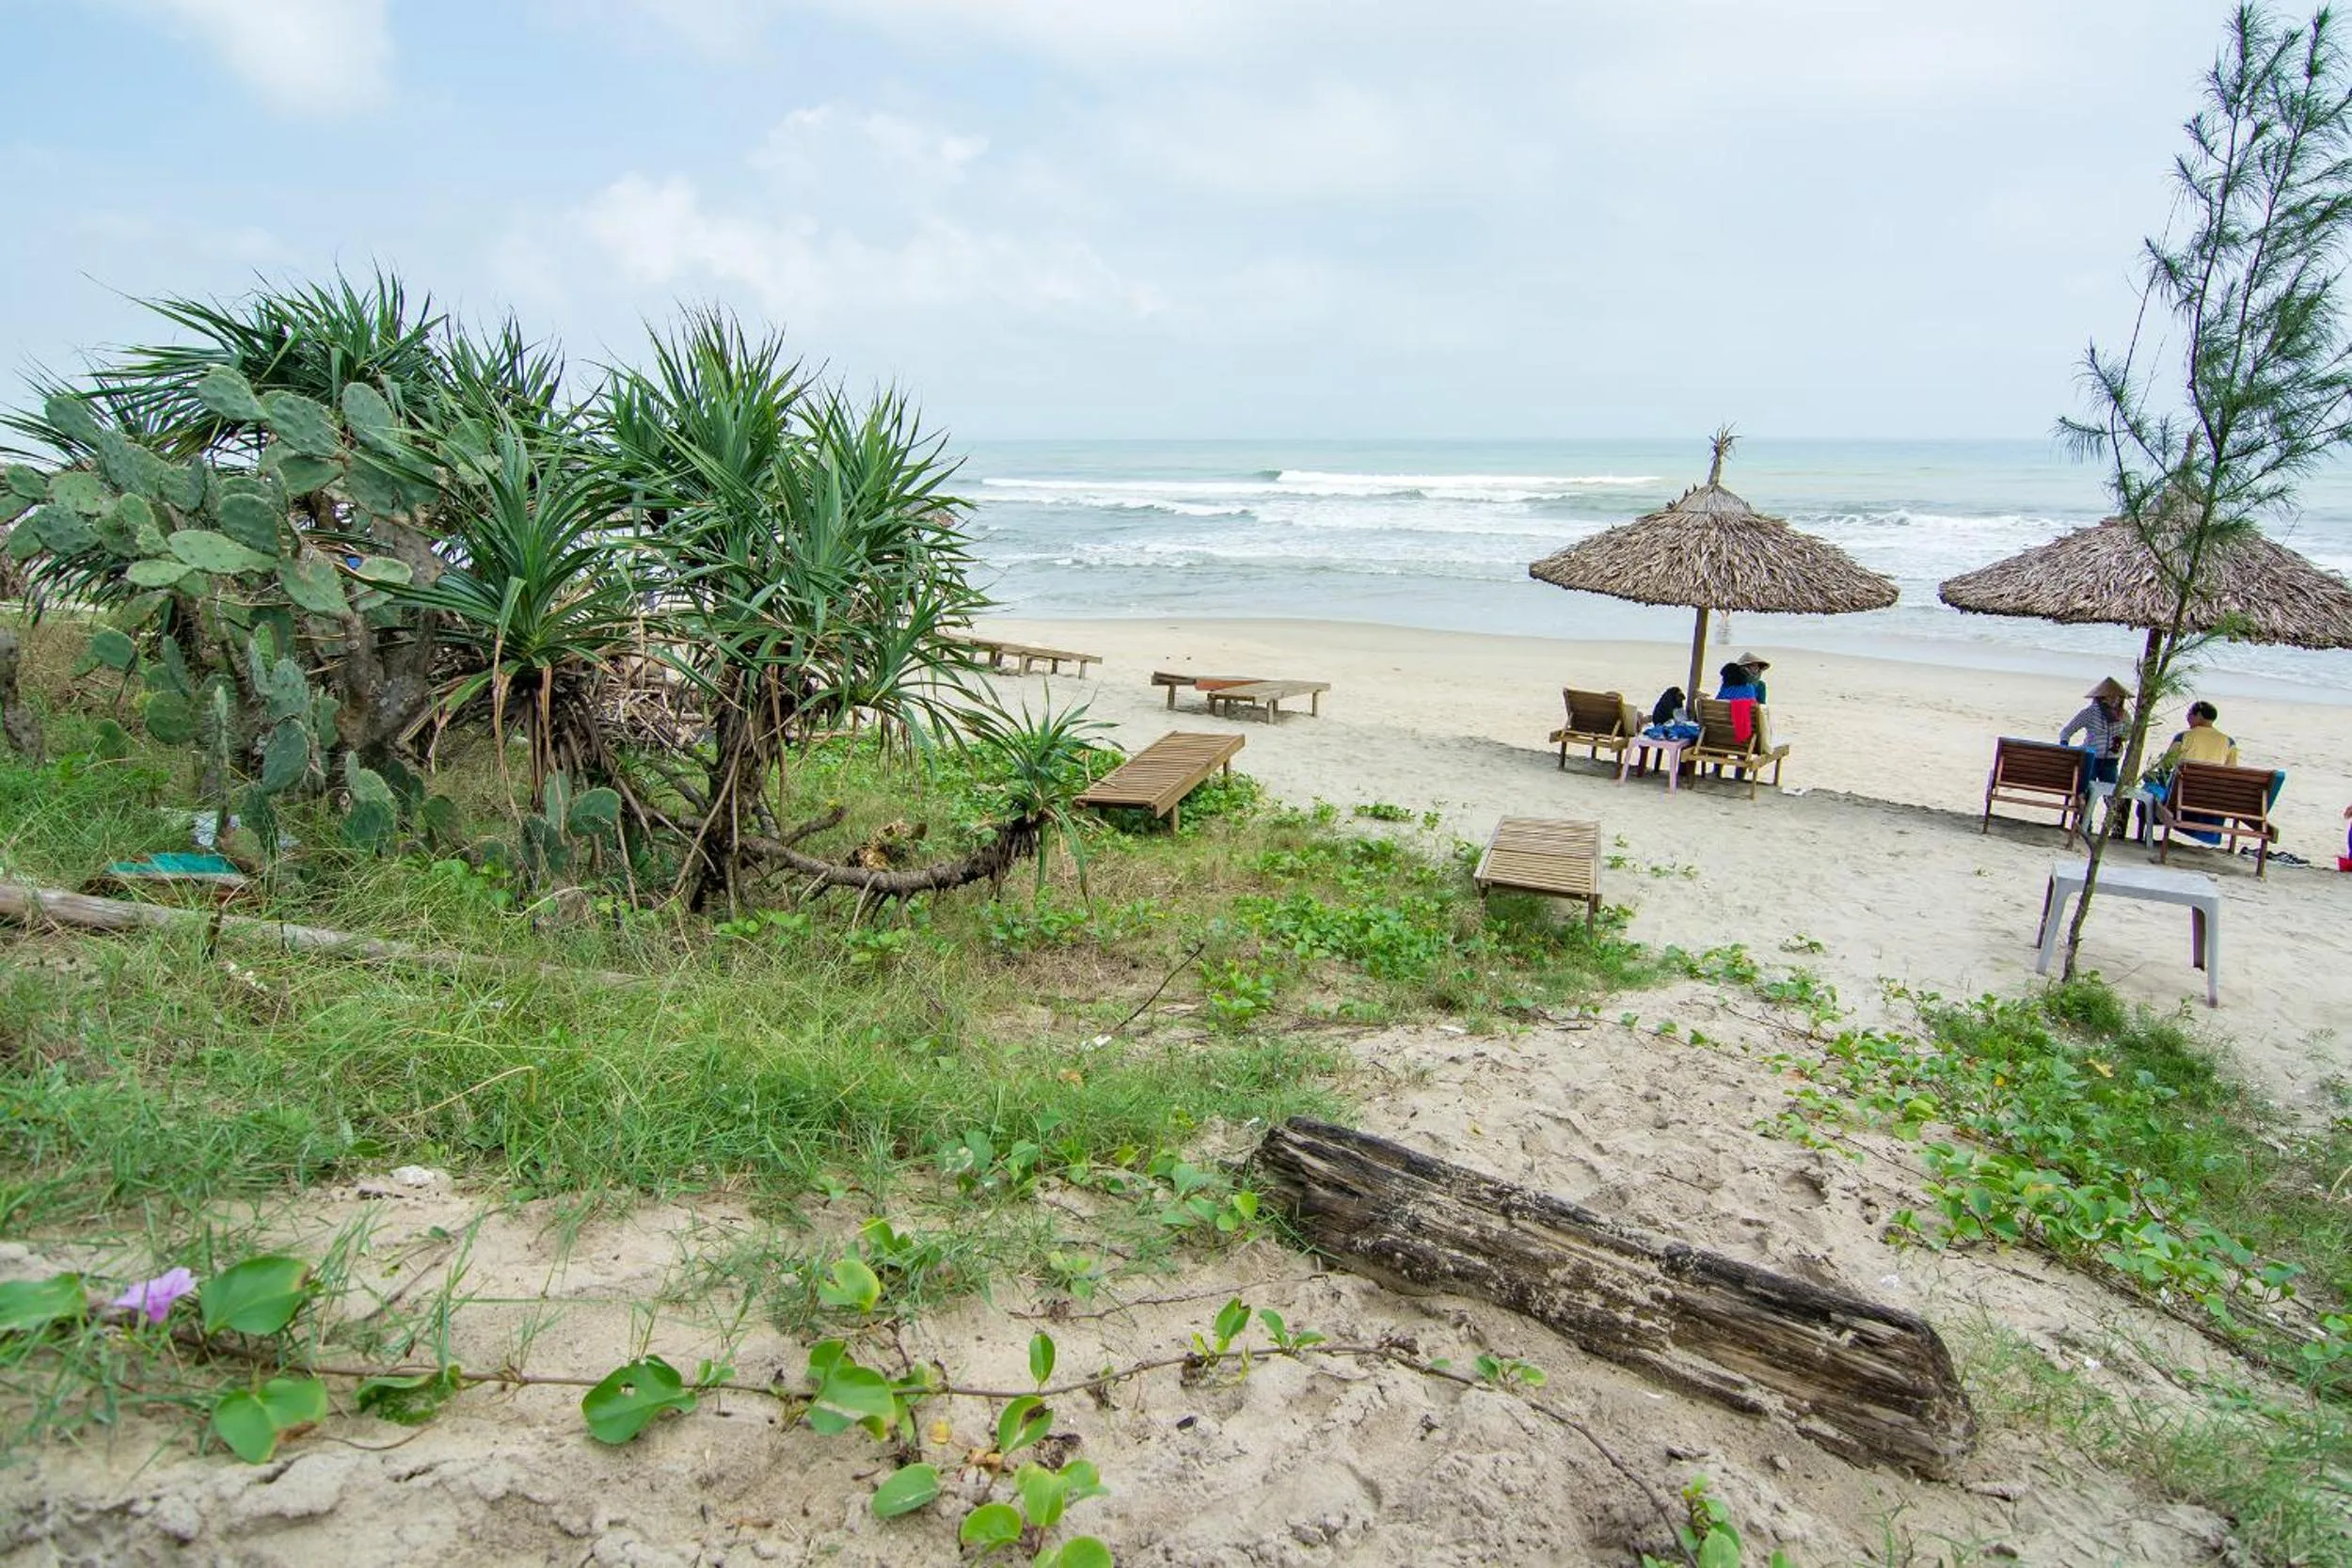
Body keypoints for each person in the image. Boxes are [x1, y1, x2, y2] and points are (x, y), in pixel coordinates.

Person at [2058, 676, 2129, 788]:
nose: (2116, 700)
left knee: (2111, 794)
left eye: (2119, 697)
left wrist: (2120, 738)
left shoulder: (2124, 715)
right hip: (2091, 759)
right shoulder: (2090, 713)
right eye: (2111, 696)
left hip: (2111, 761)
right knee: (2085, 792)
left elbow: (2129, 734)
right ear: (2102, 698)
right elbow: (2066, 732)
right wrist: (2064, 747)